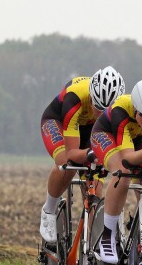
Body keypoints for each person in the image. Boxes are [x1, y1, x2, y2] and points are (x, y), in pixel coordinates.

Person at [89, 79, 142, 265]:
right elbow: (127, 158)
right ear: (135, 107)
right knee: (122, 173)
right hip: (107, 135)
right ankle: (107, 235)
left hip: (140, 139)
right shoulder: (121, 111)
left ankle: (137, 242)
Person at [38, 66, 125, 243]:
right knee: (67, 166)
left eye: (106, 110)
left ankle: (91, 245)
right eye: (98, 107)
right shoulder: (75, 97)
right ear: (91, 96)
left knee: (96, 188)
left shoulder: (121, 108)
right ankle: (49, 210)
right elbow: (71, 153)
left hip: (91, 131)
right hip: (60, 123)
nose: (101, 114)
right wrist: (90, 153)